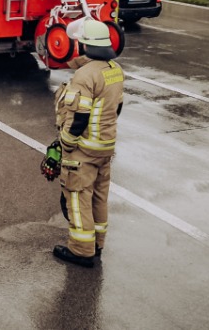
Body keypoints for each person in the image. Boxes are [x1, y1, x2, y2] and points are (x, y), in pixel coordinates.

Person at [52, 19, 124, 268]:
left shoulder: (84, 75)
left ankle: (81, 250)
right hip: (106, 146)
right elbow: (118, 107)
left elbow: (78, 116)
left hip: (85, 149)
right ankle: (97, 244)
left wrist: (65, 144)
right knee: (99, 197)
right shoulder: (115, 69)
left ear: (85, 44)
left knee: (78, 196)